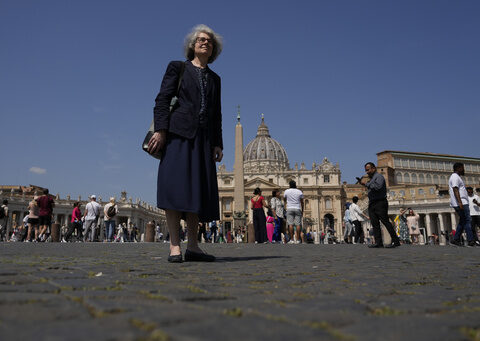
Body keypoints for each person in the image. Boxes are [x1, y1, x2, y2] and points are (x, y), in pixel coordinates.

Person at [147, 24, 223, 263]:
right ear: (192, 45)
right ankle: (174, 246)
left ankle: (193, 246)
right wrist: (160, 130)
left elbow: (216, 114)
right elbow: (162, 99)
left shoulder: (215, 79)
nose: (205, 43)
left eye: (209, 41)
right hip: (178, 134)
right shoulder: (177, 68)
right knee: (174, 189)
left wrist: (218, 143)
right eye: (201, 39)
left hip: (203, 139)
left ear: (213, 49)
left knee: (196, 193)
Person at [359, 162, 400, 248]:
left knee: (385, 222)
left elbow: (378, 187)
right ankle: (379, 242)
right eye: (366, 170)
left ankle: (396, 241)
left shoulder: (379, 177)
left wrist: (366, 184)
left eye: (368, 170)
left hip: (380, 202)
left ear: (373, 168)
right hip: (372, 203)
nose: (367, 172)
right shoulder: (372, 179)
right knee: (375, 223)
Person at [449, 163, 475, 246]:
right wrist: (460, 203)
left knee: (462, 221)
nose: (464, 170)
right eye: (463, 168)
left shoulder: (457, 177)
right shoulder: (455, 177)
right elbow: (455, 189)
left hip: (461, 202)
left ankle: (456, 239)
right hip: (461, 202)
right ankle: (471, 240)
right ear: (459, 168)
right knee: (467, 220)